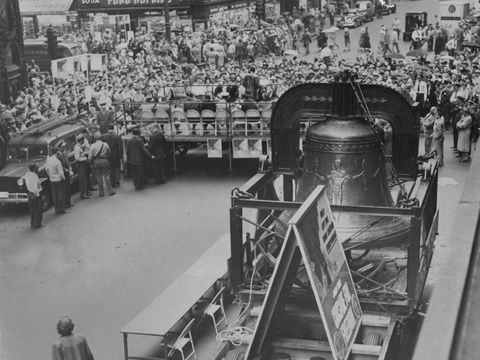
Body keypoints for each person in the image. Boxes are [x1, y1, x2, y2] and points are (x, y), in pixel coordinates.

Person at [45, 146, 66, 215]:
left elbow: (46, 169)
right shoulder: (57, 161)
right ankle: (61, 209)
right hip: (59, 180)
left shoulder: (48, 160)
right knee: (61, 195)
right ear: (56, 152)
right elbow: (61, 173)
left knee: (54, 194)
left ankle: (56, 209)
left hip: (52, 180)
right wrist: (64, 178)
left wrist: (50, 175)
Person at [24, 163, 44, 229]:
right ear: (35, 169)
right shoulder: (35, 176)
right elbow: (36, 186)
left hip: (30, 194)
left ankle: (32, 223)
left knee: (32, 209)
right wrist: (38, 193)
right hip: (36, 194)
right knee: (38, 209)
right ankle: (37, 224)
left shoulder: (27, 175)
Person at [55, 140, 73, 209]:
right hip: (63, 173)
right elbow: (59, 165)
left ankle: (68, 202)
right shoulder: (58, 155)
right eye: (63, 147)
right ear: (59, 147)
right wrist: (65, 169)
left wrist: (70, 168)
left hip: (67, 172)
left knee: (68, 188)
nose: (64, 148)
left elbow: (67, 161)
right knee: (64, 189)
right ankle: (66, 204)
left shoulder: (64, 154)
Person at [74, 133, 91, 199]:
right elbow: (77, 158)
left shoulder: (80, 146)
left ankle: (85, 192)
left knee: (85, 178)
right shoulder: (77, 148)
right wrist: (85, 158)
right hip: (80, 164)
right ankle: (83, 193)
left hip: (83, 164)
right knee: (82, 179)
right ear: (80, 140)